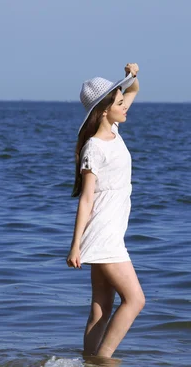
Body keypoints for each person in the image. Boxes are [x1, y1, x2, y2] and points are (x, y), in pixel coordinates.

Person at [67, 63, 145, 359]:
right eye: (119, 102)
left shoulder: (113, 127)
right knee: (136, 300)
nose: (125, 105)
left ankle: (89, 362)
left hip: (111, 233)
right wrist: (76, 246)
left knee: (101, 308)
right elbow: (86, 200)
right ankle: (103, 360)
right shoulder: (94, 148)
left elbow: (133, 89)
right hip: (104, 236)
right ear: (103, 110)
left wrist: (132, 75)